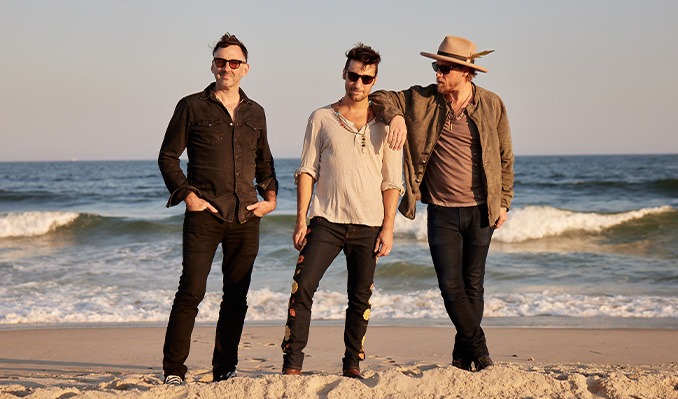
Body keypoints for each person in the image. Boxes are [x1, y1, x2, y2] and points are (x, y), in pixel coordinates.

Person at [370, 35, 514, 371]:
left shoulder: (492, 104)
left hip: (482, 210)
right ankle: (480, 351)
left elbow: (505, 156)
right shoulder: (422, 100)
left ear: (465, 72)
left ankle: (462, 358)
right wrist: (396, 117)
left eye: (444, 68)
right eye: (436, 66)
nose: (437, 73)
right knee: (451, 287)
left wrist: (504, 201)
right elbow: (380, 97)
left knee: (473, 284)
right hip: (441, 211)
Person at [158, 33, 278, 385]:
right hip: (204, 216)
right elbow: (168, 157)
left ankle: (225, 369)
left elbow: (264, 162)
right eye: (221, 61)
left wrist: (269, 199)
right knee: (191, 291)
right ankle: (174, 371)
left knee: (236, 296)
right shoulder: (191, 106)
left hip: (245, 218)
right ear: (213, 65)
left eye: (234, 62)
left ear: (246, 69)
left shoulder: (256, 112)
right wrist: (187, 196)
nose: (227, 67)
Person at [280, 44, 403, 379]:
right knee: (302, 287)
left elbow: (392, 182)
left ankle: (352, 363)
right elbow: (307, 170)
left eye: (366, 78)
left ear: (374, 80)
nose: (358, 84)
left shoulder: (387, 124)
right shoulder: (321, 118)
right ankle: (292, 364)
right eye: (353, 76)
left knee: (360, 298)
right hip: (326, 221)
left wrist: (388, 227)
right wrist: (301, 219)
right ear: (344, 74)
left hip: (368, 224)